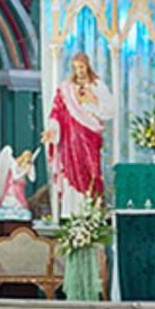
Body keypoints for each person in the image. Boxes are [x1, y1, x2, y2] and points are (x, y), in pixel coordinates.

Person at [45, 50, 114, 216]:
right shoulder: (66, 89)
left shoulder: (98, 86)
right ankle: (72, 211)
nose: (80, 71)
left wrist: (94, 101)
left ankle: (93, 208)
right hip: (70, 137)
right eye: (76, 68)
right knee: (72, 169)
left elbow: (109, 111)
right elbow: (56, 112)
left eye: (82, 67)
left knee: (92, 169)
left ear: (88, 66)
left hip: (90, 135)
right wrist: (53, 129)